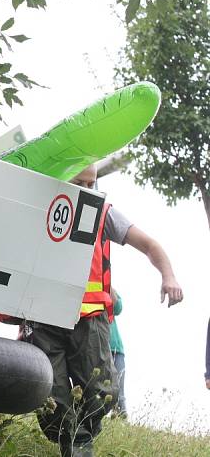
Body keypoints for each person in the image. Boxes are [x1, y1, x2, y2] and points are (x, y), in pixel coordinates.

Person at [24, 163, 183, 457]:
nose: (86, 191)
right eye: (79, 183)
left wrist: (168, 276)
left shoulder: (103, 212)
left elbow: (149, 245)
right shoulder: (36, 203)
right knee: (49, 395)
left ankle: (82, 439)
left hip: (89, 317)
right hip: (43, 316)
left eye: (91, 184)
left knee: (103, 391)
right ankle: (72, 443)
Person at [109, 288, 127, 418]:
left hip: (116, 348)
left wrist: (107, 282)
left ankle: (121, 417)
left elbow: (118, 308)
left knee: (119, 388)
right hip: (96, 346)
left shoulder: (108, 287)